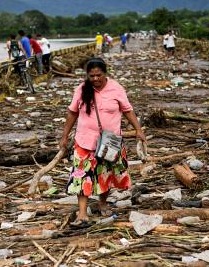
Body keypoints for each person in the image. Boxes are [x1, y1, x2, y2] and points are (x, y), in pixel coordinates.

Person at [59, 58, 146, 226]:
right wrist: (64, 136)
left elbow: (128, 110)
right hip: (85, 141)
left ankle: (102, 202)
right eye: (91, 76)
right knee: (82, 176)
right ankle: (82, 213)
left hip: (109, 142)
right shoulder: (82, 89)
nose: (95, 79)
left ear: (105, 73)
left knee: (105, 174)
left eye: (98, 75)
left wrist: (138, 130)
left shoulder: (116, 88)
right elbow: (72, 113)